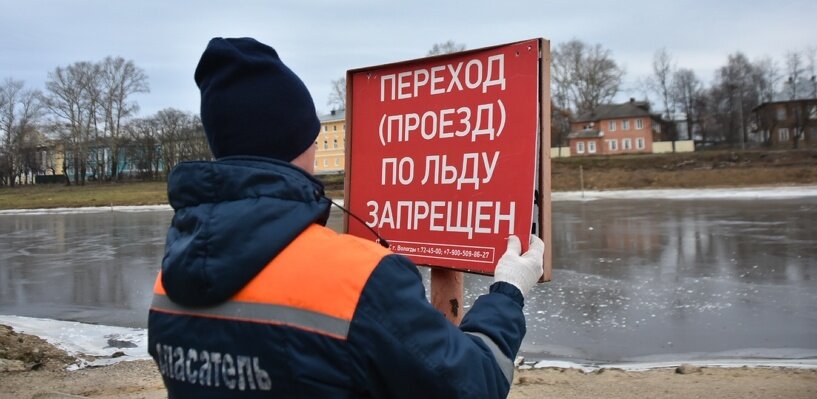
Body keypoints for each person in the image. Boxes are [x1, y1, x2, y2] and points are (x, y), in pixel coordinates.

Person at [148, 37, 545, 399]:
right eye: (315, 138)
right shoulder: (361, 279)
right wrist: (508, 294)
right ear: (300, 142)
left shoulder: (171, 277)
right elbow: (473, 384)